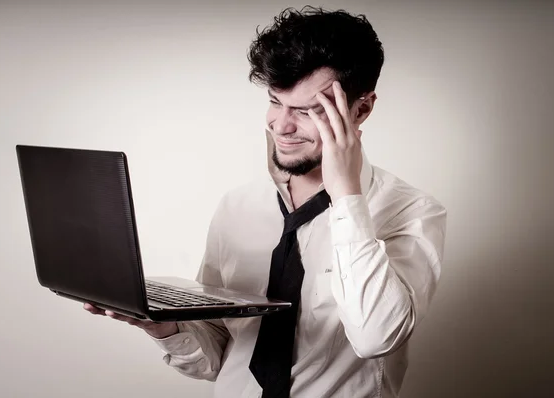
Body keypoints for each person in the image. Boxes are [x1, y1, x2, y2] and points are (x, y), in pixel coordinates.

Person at [85, 6, 447, 398]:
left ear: (362, 108)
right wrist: (165, 327)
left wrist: (346, 196)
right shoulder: (238, 207)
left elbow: (377, 337)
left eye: (309, 110)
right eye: (276, 101)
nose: (281, 126)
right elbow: (222, 353)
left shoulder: (411, 212)